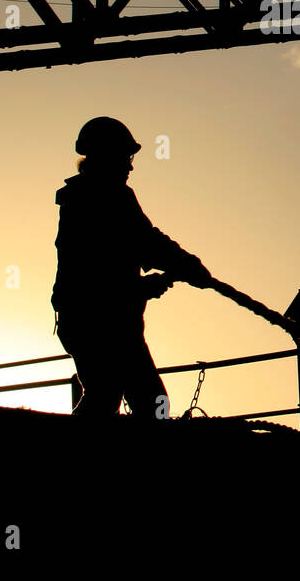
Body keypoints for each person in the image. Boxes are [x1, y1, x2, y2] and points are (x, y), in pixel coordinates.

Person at [51, 116, 213, 417]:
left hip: (96, 319)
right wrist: (176, 270)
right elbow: (98, 271)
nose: (130, 166)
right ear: (107, 156)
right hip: (98, 320)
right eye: (125, 158)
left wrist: (184, 266)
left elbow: (142, 244)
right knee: (120, 395)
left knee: (117, 394)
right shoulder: (100, 199)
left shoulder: (93, 197)